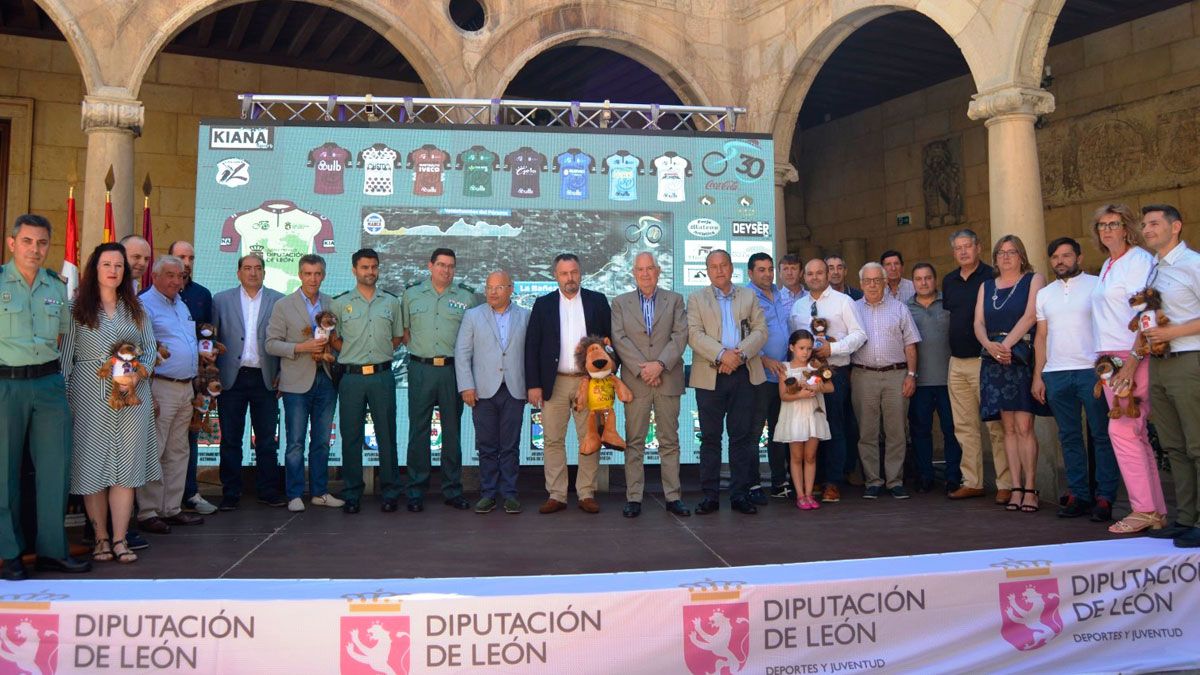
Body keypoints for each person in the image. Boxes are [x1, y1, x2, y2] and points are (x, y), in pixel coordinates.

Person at [0, 214, 89, 580]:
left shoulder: (56, 286)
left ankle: (53, 549)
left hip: (49, 384)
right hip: (7, 384)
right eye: (27, 241)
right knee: (5, 471)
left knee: (56, 468)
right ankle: (10, 552)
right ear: (12, 243)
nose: (35, 249)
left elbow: (63, 335)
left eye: (41, 243)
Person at [62, 242, 158, 564]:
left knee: (125, 471)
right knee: (93, 468)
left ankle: (120, 539)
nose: (113, 271)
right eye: (107, 264)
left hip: (132, 398)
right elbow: (66, 358)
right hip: (89, 395)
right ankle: (100, 538)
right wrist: (61, 400)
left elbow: (151, 351)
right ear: (95, 269)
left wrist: (138, 375)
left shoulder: (137, 310)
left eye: (119, 266)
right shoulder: (77, 310)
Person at [1087, 204, 1168, 534]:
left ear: (1126, 228)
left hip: (1130, 355)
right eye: (1102, 226)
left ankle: (1145, 509)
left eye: (1114, 224)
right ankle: (1154, 509)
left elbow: (1147, 312)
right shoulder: (1108, 264)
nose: (1107, 230)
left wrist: (1133, 362)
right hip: (1110, 356)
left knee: (1122, 431)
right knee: (1132, 434)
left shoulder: (1138, 261)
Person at [1031, 237, 1118, 521]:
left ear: (1078, 257)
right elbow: (1041, 337)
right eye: (1055, 257)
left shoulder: (1097, 285)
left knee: (1101, 435)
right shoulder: (1044, 294)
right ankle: (1079, 494)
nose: (1061, 261)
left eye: (1067, 255)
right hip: (1056, 372)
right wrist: (1038, 376)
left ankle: (1105, 497)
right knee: (1069, 437)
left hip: (1090, 370)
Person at [524, 253, 613, 514]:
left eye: (573, 272)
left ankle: (586, 492)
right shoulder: (543, 305)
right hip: (555, 382)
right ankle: (557, 494)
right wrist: (533, 384)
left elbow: (610, 342)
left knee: (590, 437)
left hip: (589, 383)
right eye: (564, 273)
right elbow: (532, 347)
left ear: (580, 273)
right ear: (556, 276)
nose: (570, 278)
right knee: (552, 439)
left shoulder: (597, 301)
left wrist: (606, 375)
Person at [687, 249, 767, 515]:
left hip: (743, 373)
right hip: (710, 375)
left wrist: (739, 354)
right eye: (713, 266)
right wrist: (722, 355)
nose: (719, 270)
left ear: (732, 268)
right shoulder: (697, 299)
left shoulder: (748, 295)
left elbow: (760, 331)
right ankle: (709, 496)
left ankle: (740, 495)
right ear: (707, 270)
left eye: (724, 265)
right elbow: (694, 335)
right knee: (710, 438)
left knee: (741, 437)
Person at [610, 253, 690, 518]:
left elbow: (680, 336)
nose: (645, 274)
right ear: (634, 273)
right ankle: (634, 497)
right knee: (635, 441)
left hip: (667, 378)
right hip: (637, 381)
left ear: (658, 271)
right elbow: (619, 338)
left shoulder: (675, 300)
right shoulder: (620, 303)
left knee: (670, 440)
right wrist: (644, 369)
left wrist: (659, 365)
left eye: (650, 269)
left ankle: (673, 496)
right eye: (640, 269)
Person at [1140, 204, 1200, 547]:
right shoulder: (1154, 269)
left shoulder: (1193, 264)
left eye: (1154, 223)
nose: (1147, 229)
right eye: (1145, 224)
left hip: (1188, 360)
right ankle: (1187, 517)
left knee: (1197, 444)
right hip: (1159, 363)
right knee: (1174, 446)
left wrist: (1172, 333)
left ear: (1175, 226)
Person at [975, 235, 1048, 513]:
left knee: (1025, 427)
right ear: (995, 258)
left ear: (1022, 256)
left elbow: (1031, 316)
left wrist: (1005, 346)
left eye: (1012, 252)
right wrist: (989, 346)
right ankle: (1015, 487)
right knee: (1007, 429)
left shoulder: (1034, 280)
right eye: (1001, 253)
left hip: (1020, 358)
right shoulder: (986, 286)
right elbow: (978, 322)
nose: (1006, 257)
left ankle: (1031, 488)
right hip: (994, 359)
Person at [265, 254, 343, 512]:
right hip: (295, 383)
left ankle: (320, 491)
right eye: (308, 273)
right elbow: (271, 343)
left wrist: (330, 348)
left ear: (324, 275)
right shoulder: (283, 305)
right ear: (300, 275)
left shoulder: (333, 303)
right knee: (295, 441)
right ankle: (295, 493)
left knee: (321, 441)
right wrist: (302, 347)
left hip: (327, 379)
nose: (313, 278)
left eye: (318, 273)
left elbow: (340, 341)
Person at [331, 249, 404, 514]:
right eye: (364, 267)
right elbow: (334, 339)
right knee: (350, 436)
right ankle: (352, 493)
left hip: (382, 376)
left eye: (374, 267)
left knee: (387, 434)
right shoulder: (340, 304)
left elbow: (397, 338)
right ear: (354, 270)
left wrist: (379, 355)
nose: (370, 272)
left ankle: (391, 491)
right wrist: (353, 354)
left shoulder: (391, 302)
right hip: (351, 379)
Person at [403, 248, 477, 512]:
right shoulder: (411, 295)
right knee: (418, 431)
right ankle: (415, 491)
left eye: (451, 266)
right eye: (441, 265)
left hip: (451, 370)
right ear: (430, 266)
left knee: (452, 432)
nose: (446, 270)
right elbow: (405, 331)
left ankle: (452, 490)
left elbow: (472, 339)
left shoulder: (466, 298)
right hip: (421, 368)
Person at [788, 258, 866, 503]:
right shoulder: (798, 306)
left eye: (819, 272)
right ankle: (816, 480)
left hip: (834, 372)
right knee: (811, 429)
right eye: (810, 273)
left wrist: (832, 350)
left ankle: (833, 482)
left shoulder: (844, 302)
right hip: (805, 376)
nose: (814, 277)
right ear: (804, 276)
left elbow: (859, 335)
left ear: (827, 274)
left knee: (834, 427)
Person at [136, 255, 204, 534]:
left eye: (181, 276)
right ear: (155, 277)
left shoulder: (181, 304)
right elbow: (141, 347)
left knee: (178, 450)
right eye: (170, 275)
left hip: (185, 386)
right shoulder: (144, 305)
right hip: (160, 385)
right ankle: (148, 511)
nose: (177, 281)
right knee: (156, 449)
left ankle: (171, 508)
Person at [212, 253, 284, 510]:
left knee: (266, 439)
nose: (253, 272)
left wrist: (282, 374)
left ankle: (268, 490)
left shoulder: (278, 300)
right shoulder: (221, 300)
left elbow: (283, 340)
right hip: (232, 379)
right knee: (230, 439)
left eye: (258, 268)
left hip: (266, 379)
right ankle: (231, 492)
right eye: (247, 268)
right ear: (238, 272)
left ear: (264, 272)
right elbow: (213, 340)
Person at [943, 229, 1010, 502]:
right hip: (957, 362)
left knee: (995, 424)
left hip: (986, 361)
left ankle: (1006, 483)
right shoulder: (949, 281)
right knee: (964, 426)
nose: (963, 252)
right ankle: (972, 481)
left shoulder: (992, 277)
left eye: (967, 246)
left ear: (978, 247)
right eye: (958, 248)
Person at [455, 270, 529, 515]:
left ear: (510, 289)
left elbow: (531, 355)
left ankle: (509, 494)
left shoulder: (525, 316)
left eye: (499, 287)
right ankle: (487, 494)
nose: (493, 292)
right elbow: (462, 353)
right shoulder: (472, 316)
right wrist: (466, 385)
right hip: (482, 391)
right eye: (489, 287)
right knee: (486, 446)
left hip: (514, 389)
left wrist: (532, 386)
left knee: (510, 445)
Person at [852, 262, 920, 499]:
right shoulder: (852, 309)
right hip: (863, 376)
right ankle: (872, 481)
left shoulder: (900, 308)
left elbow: (910, 344)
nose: (872, 285)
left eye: (876, 280)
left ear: (884, 281)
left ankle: (895, 481)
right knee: (867, 431)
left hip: (895, 376)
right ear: (861, 284)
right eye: (867, 281)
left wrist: (911, 375)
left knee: (896, 431)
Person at [167, 240, 216, 516]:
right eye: (180, 257)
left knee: (191, 438)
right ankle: (163, 500)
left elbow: (209, 332)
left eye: (191, 258)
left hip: (195, 381)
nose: (186, 263)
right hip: (165, 381)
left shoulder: (202, 295)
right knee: (165, 443)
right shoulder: (155, 295)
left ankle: (190, 493)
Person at [906, 263, 963, 493]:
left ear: (935, 279)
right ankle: (924, 476)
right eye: (918, 279)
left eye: (928, 278)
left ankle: (953, 476)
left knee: (952, 430)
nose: (923, 282)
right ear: (913, 282)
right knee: (920, 431)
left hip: (949, 380)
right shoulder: (905, 308)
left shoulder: (948, 303)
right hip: (919, 382)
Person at [746, 252, 793, 502]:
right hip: (759, 375)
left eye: (770, 268)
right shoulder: (746, 297)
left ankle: (778, 482)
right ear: (750, 273)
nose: (767, 274)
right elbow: (746, 334)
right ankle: (753, 484)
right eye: (761, 269)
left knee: (779, 432)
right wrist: (764, 358)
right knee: (754, 433)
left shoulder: (781, 294)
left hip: (783, 376)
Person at [775, 329, 832, 510]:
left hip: (813, 415)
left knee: (810, 456)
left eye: (808, 348)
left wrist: (816, 388)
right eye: (801, 348)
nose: (805, 352)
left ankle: (809, 494)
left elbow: (830, 387)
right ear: (792, 347)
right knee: (797, 456)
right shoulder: (785, 368)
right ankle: (800, 494)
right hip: (795, 416)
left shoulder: (816, 367)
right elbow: (784, 395)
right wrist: (800, 394)